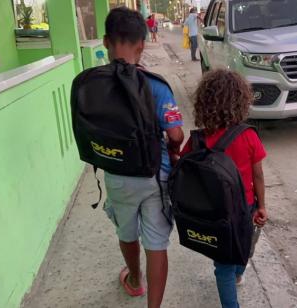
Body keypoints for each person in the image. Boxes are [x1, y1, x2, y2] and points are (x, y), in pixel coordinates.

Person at [100, 7, 184, 308]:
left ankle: (135, 280)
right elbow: (175, 135)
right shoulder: (156, 86)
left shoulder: (94, 84)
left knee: (126, 231)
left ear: (105, 41)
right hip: (153, 175)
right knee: (156, 243)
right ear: (142, 45)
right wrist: (173, 154)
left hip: (116, 174)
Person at [180, 69, 268, 308]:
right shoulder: (248, 136)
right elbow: (258, 175)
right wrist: (261, 206)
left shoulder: (197, 139)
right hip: (244, 207)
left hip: (212, 210)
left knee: (222, 264)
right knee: (243, 245)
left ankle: (233, 276)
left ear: (204, 103)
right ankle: (238, 274)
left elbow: (185, 166)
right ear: (242, 101)